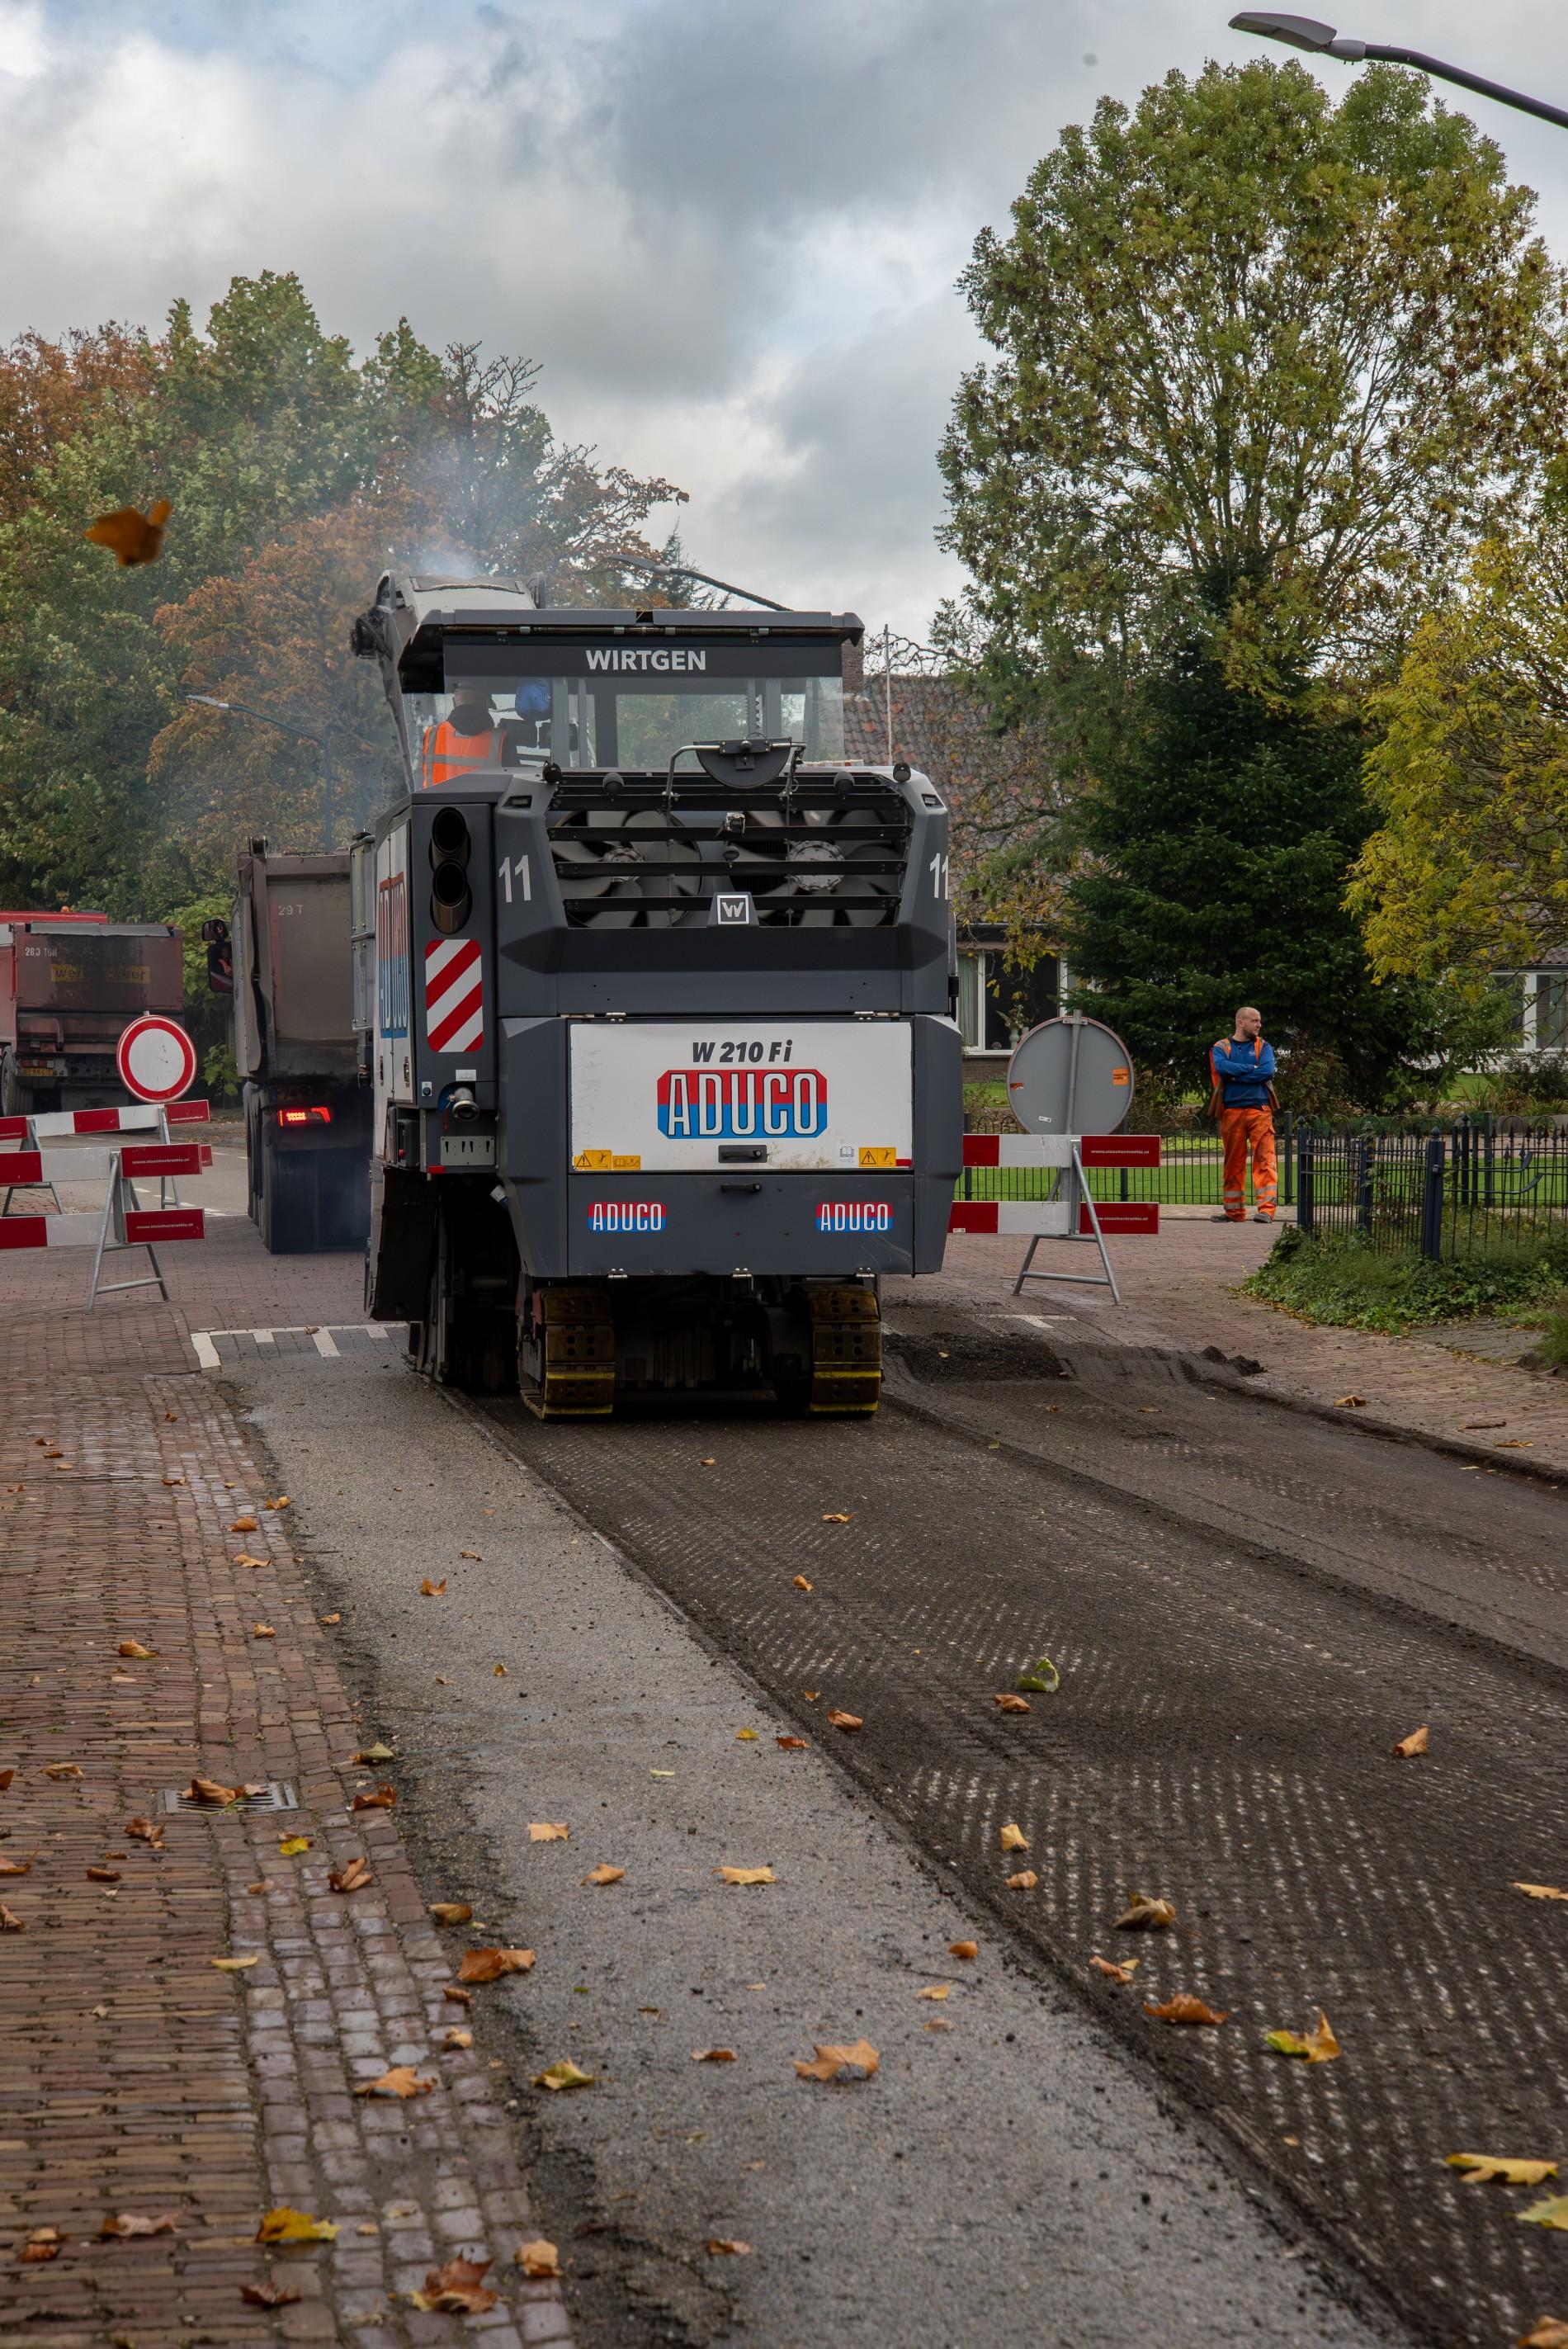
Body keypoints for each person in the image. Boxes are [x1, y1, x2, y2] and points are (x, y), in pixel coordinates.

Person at [1209, 1007, 1278, 1224]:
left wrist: (1236, 1076)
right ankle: (1234, 1213)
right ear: (1240, 1022)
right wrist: (1251, 1069)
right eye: (1254, 1021)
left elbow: (1267, 1071)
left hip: (1260, 1110)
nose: (1259, 1025)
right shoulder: (1221, 1047)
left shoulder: (1264, 1046)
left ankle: (1266, 1211)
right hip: (1231, 1111)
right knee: (1233, 1163)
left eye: (1260, 1021)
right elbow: (1221, 1067)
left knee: (1265, 1160)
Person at [422, 692, 499, 787]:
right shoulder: (500, 740)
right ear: (485, 704)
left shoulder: (432, 734)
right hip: (486, 802)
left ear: (454, 703)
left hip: (433, 801)